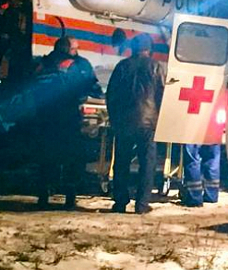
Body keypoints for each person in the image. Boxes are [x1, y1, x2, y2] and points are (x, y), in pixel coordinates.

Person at [35, 37, 101, 209]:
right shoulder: (78, 65)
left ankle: (43, 195)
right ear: (67, 49)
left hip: (45, 118)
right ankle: (70, 197)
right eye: (74, 49)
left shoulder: (42, 64)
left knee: (46, 157)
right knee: (72, 157)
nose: (76, 52)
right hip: (68, 118)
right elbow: (92, 87)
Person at [106, 33, 165, 214]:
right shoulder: (156, 66)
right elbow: (162, 94)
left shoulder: (122, 66)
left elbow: (111, 94)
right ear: (149, 49)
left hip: (124, 122)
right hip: (148, 122)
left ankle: (120, 202)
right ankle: (142, 204)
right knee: (147, 163)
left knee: (121, 162)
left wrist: (114, 118)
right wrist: (159, 118)